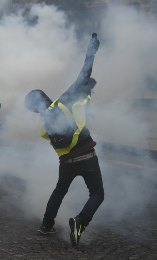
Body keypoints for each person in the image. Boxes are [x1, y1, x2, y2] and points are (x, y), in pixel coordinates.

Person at [25, 33, 103, 249]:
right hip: (87, 156)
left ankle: (46, 225)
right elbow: (84, 74)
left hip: (66, 162)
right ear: (45, 97)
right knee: (97, 193)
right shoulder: (61, 103)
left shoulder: (45, 125)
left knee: (59, 191)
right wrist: (91, 51)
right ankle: (80, 222)